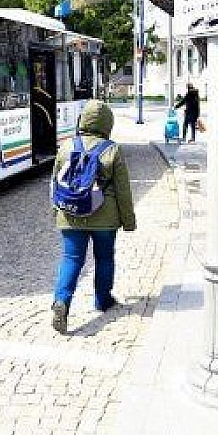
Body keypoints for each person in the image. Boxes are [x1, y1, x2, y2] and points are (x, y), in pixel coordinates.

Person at [50, 100, 136, 334]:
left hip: (70, 213)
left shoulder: (67, 146)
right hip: (105, 218)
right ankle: (103, 300)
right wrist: (128, 221)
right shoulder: (112, 150)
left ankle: (61, 301)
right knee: (105, 258)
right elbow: (123, 190)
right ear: (108, 123)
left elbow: (55, 183)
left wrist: (56, 213)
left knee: (71, 259)